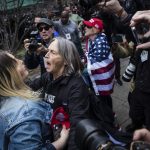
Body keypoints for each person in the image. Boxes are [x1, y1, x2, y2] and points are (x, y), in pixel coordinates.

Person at [28, 37, 90, 150]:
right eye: (47, 51)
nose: (46, 55)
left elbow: (77, 126)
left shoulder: (77, 86)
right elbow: (30, 87)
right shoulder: (48, 76)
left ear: (66, 60)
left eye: (53, 52)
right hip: (51, 134)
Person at [0, 51, 69, 149]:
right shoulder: (25, 111)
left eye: (53, 52)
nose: (21, 61)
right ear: (8, 73)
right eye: (15, 61)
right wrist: (62, 141)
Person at [83, 18, 115, 109]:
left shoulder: (100, 42)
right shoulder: (93, 39)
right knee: (105, 97)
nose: (85, 27)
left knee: (102, 99)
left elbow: (96, 65)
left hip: (100, 79)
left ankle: (108, 117)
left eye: (88, 26)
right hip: (99, 80)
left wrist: (83, 67)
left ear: (96, 30)